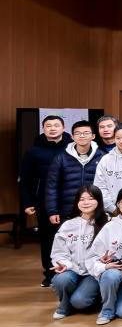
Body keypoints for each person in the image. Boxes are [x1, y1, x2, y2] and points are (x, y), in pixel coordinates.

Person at [20, 114, 71, 286]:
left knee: (71, 237)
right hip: (44, 200)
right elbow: (25, 179)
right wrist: (27, 202)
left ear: (63, 128)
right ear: (43, 129)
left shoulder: (72, 147)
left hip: (69, 199)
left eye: (56, 125)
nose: (53, 128)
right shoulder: (33, 151)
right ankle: (50, 273)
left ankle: (72, 272)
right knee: (48, 238)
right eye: (48, 125)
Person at [49, 185, 109, 319]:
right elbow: (58, 252)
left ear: (99, 200)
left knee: (80, 302)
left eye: (91, 198)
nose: (86, 202)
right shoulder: (68, 225)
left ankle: (91, 297)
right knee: (61, 279)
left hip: (94, 273)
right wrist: (65, 265)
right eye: (82, 199)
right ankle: (64, 305)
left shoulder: (107, 222)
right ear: (77, 202)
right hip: (73, 269)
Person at [88, 187, 122, 325]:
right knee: (111, 274)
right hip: (114, 272)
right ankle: (107, 310)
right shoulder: (110, 226)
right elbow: (94, 255)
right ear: (117, 204)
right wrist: (105, 262)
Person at [45, 120, 104, 227]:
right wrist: (52, 211)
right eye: (78, 133)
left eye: (86, 133)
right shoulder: (61, 158)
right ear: (72, 137)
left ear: (93, 136)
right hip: (67, 210)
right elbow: (52, 186)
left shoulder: (102, 157)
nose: (82, 136)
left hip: (95, 209)